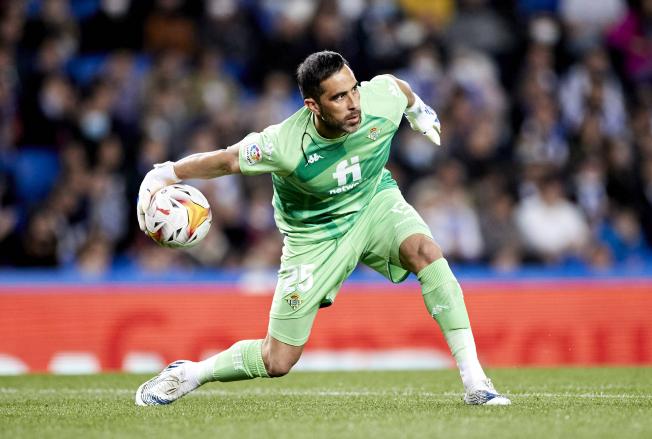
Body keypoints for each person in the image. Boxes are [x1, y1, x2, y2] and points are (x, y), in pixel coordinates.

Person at [134, 51, 510, 406]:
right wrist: (164, 172)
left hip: (373, 202)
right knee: (277, 360)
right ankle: (191, 373)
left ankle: (475, 381)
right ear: (313, 106)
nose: (354, 104)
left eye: (354, 90)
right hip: (314, 236)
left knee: (425, 251)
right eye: (339, 98)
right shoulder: (283, 144)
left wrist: (418, 110)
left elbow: (400, 88)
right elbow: (226, 161)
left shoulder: (380, 99)